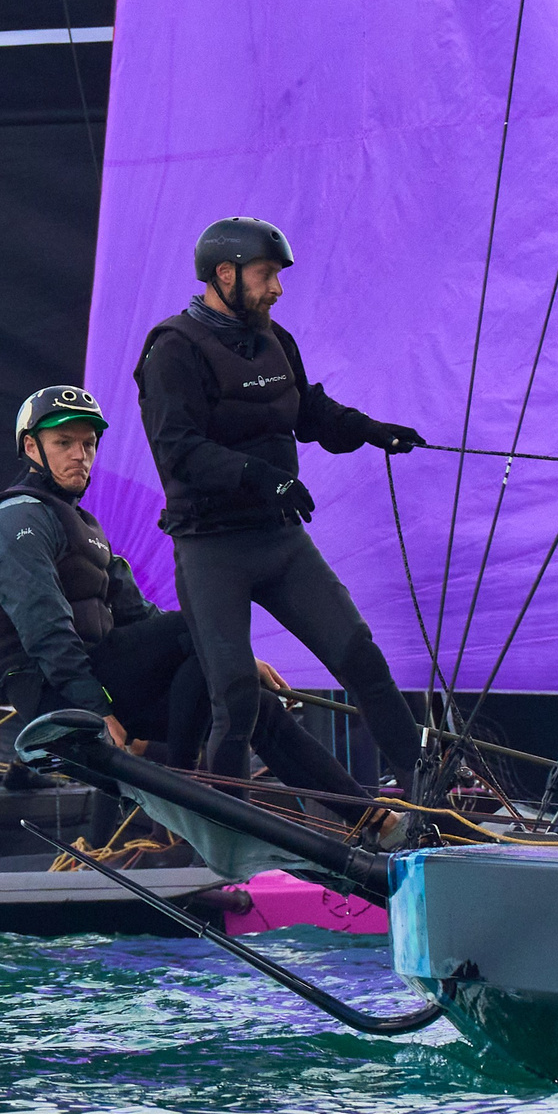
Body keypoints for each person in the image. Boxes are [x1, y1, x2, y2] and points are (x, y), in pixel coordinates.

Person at [0, 384, 359, 852]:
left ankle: (368, 817)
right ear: (31, 447)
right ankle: (190, 809)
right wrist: (96, 709)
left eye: (88, 444)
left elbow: (140, 616)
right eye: (63, 443)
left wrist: (234, 662)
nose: (80, 455)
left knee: (245, 697)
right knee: (197, 632)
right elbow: (44, 628)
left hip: (105, 679)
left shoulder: (86, 528)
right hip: (55, 694)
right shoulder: (14, 519)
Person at [136, 217, 432, 794]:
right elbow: (177, 450)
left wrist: (372, 430)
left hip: (278, 539)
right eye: (267, 275)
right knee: (237, 697)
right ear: (225, 275)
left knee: (362, 659)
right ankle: (230, 817)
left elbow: (307, 410)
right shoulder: (172, 349)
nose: (277, 288)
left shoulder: (274, 338)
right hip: (211, 547)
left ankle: (426, 788)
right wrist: (262, 477)